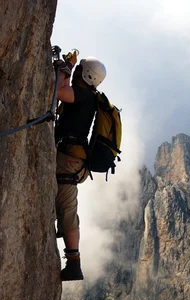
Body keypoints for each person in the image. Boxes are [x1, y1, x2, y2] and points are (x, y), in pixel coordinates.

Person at [55, 55, 107, 281]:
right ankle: (73, 260)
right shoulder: (89, 96)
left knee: (68, 210)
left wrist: (65, 69)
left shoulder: (84, 95)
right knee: (67, 207)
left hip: (68, 161)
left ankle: (74, 263)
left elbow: (58, 92)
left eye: (80, 70)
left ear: (85, 75)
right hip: (73, 159)